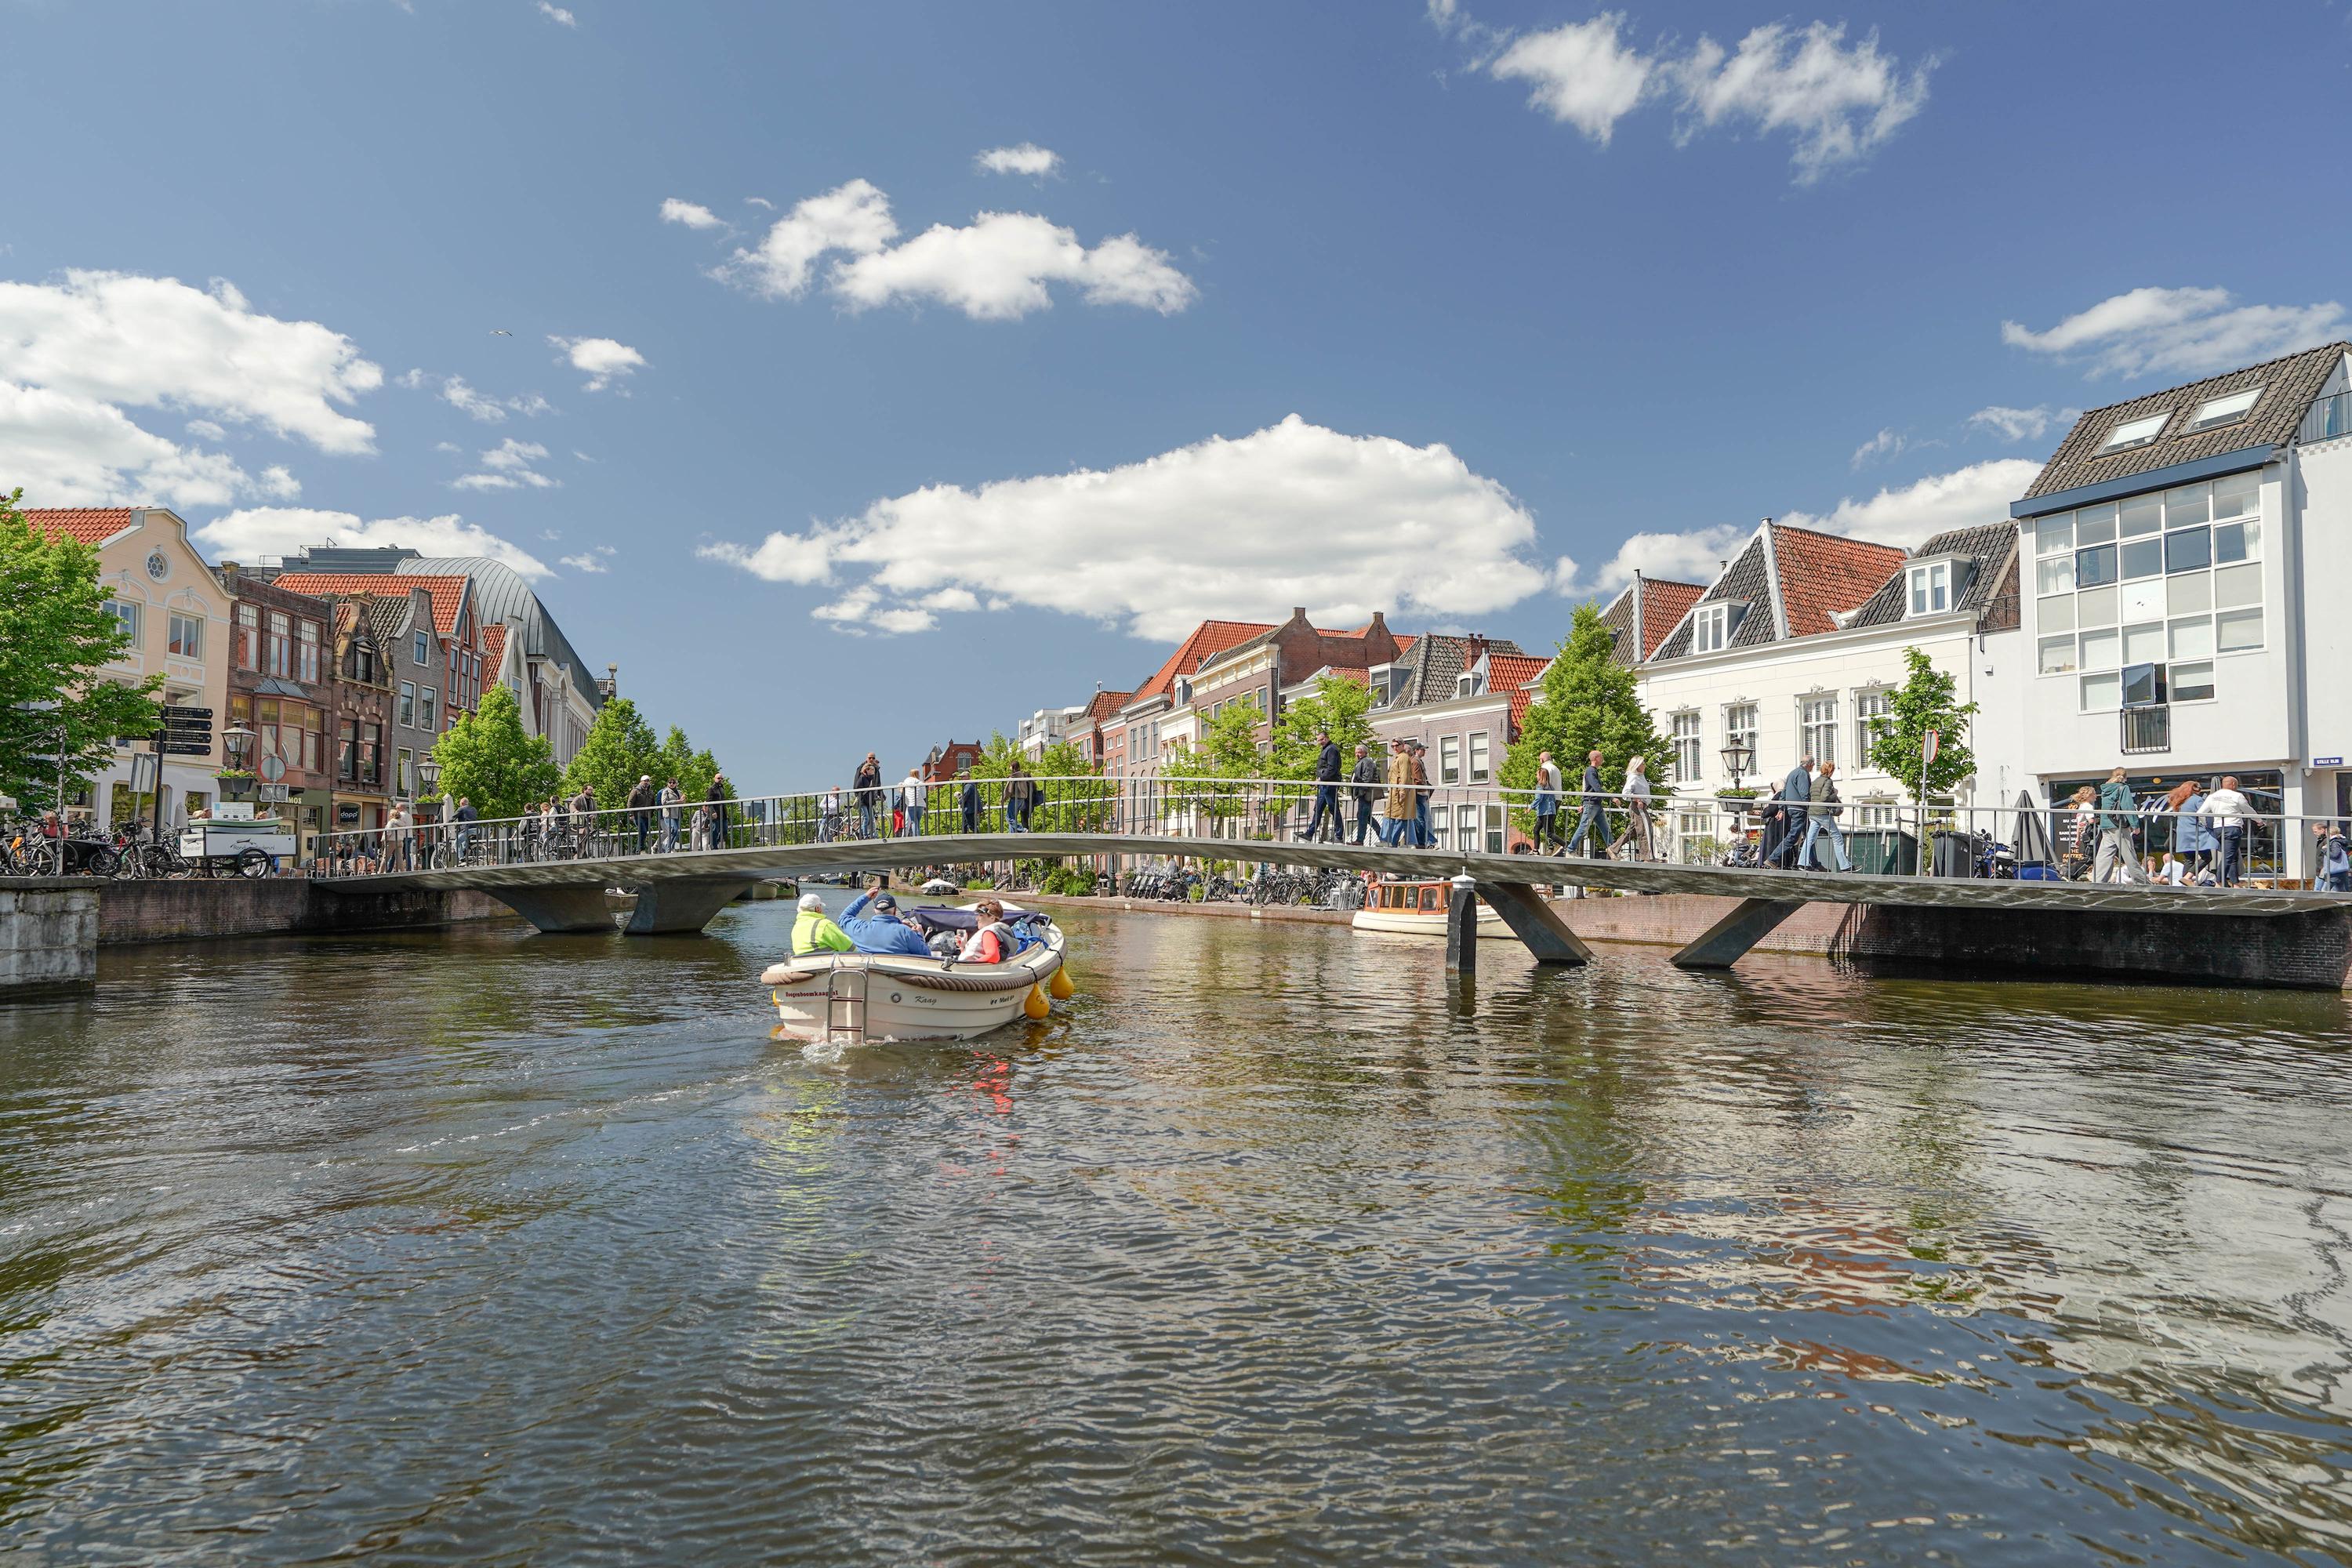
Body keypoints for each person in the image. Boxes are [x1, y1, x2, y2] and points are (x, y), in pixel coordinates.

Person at [839, 877, 935, 956]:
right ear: (895, 911)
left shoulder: (860, 928)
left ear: (875, 911)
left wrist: (865, 897)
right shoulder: (905, 932)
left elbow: (844, 917)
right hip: (897, 973)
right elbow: (926, 955)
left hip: (867, 972)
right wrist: (919, 934)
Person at [2093, 766, 2150, 884]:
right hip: (2118, 825)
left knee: (2105, 854)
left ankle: (2098, 881)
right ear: (2125, 777)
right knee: (2129, 853)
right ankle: (2141, 881)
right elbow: (2127, 806)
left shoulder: (2106, 788)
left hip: (2106, 824)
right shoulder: (2123, 788)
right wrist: (2135, 825)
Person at [2198, 775, 2254, 887]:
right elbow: (2248, 810)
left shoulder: (2212, 796)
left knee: (2232, 856)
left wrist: (2207, 825)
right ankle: (2219, 881)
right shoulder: (2237, 796)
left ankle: (2235, 883)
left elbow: (2200, 813)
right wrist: (2260, 821)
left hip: (2218, 829)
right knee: (2229, 856)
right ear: (2233, 784)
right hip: (2232, 827)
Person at [1799, 759, 1851, 872]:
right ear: (1831, 771)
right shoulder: (1828, 781)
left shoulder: (1815, 781)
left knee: (1810, 839)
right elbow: (1824, 798)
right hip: (1822, 813)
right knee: (1837, 838)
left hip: (1813, 813)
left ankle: (1802, 863)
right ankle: (1845, 866)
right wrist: (1835, 794)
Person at [1565, 749, 1612, 859]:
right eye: (1601, 757)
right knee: (1583, 828)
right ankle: (1570, 850)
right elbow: (1597, 788)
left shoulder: (1592, 771)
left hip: (1596, 805)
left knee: (1606, 830)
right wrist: (1612, 798)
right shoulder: (1591, 771)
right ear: (1596, 758)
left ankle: (1613, 850)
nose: (1603, 759)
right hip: (1591, 804)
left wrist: (1583, 802)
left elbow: (1586, 788)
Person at [1769, 756, 1815, 869]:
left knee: (1810, 836)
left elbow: (1784, 793)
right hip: (1800, 809)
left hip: (1792, 808)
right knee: (1793, 836)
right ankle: (1772, 859)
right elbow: (1804, 793)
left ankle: (1814, 863)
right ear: (1809, 764)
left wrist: (1781, 809)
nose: (1813, 767)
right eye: (1813, 764)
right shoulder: (1803, 774)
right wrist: (1809, 806)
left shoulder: (1792, 773)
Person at [1608, 756, 1654, 862]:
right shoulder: (1633, 777)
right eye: (1643, 764)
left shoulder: (1641, 776)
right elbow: (1626, 793)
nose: (1645, 766)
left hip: (1642, 806)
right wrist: (1638, 799)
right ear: (1637, 765)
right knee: (1644, 830)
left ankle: (1613, 849)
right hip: (1638, 806)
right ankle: (1646, 857)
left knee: (1633, 830)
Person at [1301, 728, 1344, 842]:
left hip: (1329, 784)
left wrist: (1321, 777)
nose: (1320, 742)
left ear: (1327, 738)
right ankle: (1310, 834)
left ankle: (1339, 835)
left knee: (1333, 808)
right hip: (1324, 784)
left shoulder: (1331, 749)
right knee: (1318, 808)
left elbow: (1332, 768)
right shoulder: (1327, 749)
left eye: (1322, 739)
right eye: (1319, 740)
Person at [790, 891, 854, 956]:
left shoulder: (796, 927)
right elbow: (850, 948)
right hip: (826, 962)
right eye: (820, 906)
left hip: (801, 961)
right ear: (817, 908)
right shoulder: (824, 925)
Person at [957, 898, 1016, 964]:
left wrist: (970, 965)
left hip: (969, 969)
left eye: (981, 915)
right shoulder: (993, 932)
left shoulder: (988, 933)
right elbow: (972, 957)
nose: (977, 919)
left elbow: (993, 956)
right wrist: (963, 947)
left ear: (992, 918)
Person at [1381, 740, 1417, 845]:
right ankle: (1410, 842)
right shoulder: (1399, 757)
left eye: (1397, 745)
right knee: (1405, 816)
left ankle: (1385, 840)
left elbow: (1404, 775)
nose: (1395, 748)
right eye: (1392, 746)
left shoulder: (1403, 758)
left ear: (1402, 745)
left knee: (1390, 814)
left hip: (1398, 792)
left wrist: (1402, 791)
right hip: (1396, 791)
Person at [1348, 742, 1382, 845]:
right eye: (1356, 753)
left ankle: (1360, 840)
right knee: (1365, 816)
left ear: (1365, 753)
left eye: (1360, 752)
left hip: (1366, 793)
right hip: (1364, 792)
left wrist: (1361, 791)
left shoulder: (1367, 762)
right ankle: (1382, 836)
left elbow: (1367, 778)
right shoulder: (1363, 762)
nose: (1357, 754)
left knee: (1363, 815)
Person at [1531, 750, 1563, 854]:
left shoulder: (1545, 769)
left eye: (1539, 760)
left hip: (1548, 802)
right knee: (1541, 827)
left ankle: (1554, 846)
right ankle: (1539, 849)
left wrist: (1531, 806)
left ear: (1542, 760)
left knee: (1548, 828)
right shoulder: (1556, 768)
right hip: (1557, 798)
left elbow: (1543, 787)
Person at [2315, 821, 2352, 893]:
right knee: (2342, 891)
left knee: (2324, 892)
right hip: (2342, 871)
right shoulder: (2340, 841)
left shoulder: (2334, 843)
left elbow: (2335, 855)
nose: (2326, 835)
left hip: (2334, 872)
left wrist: (2325, 850)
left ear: (2330, 834)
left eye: (2326, 833)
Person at [853, 752, 883, 839]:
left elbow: (878, 783)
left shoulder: (875, 769)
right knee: (867, 817)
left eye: (873, 758)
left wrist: (881, 794)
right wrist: (858, 795)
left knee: (871, 817)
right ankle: (865, 834)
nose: (871, 759)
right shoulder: (862, 768)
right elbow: (856, 783)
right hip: (863, 797)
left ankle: (871, 834)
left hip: (870, 797)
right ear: (867, 758)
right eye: (870, 758)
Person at [627, 775, 656, 854]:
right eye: (645, 781)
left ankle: (637, 850)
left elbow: (653, 804)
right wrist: (631, 814)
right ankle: (640, 849)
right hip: (637, 815)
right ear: (641, 782)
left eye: (648, 781)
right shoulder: (635, 791)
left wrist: (652, 813)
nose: (646, 783)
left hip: (647, 816)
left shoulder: (651, 792)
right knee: (643, 831)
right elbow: (630, 803)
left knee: (644, 832)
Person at [1005, 760, 1036, 833]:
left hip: (1015, 799)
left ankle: (1023, 830)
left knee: (1009, 818)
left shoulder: (1013, 777)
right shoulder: (1022, 775)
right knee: (1013, 818)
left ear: (1013, 767)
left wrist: (1003, 799)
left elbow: (1008, 790)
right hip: (1023, 799)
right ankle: (1012, 835)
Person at [706, 771, 731, 850]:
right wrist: (713, 812)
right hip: (715, 813)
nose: (720, 780)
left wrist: (726, 813)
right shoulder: (711, 789)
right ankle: (714, 847)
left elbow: (723, 802)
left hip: (723, 813)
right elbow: (709, 801)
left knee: (725, 830)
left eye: (721, 778)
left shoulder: (722, 788)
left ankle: (715, 842)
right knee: (715, 830)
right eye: (718, 778)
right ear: (714, 779)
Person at [658, 778, 684, 852]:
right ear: (667, 783)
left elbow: (681, 802)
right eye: (670, 782)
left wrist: (683, 801)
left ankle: (670, 848)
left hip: (677, 814)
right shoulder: (665, 791)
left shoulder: (679, 792)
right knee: (673, 830)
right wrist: (677, 801)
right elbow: (664, 802)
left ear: (676, 784)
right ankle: (668, 849)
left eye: (673, 783)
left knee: (676, 832)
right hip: (668, 814)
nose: (672, 784)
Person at [900, 768, 927, 837]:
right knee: (917, 822)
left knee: (914, 822)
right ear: (918, 774)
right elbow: (924, 795)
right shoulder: (921, 783)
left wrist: (902, 807)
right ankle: (917, 836)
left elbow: (903, 794)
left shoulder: (906, 782)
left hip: (911, 804)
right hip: (920, 805)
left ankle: (916, 837)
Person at [452, 795, 478, 861]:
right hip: (476, 829)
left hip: (467, 829)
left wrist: (445, 824)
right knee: (464, 841)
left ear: (462, 803)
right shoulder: (474, 809)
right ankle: (465, 855)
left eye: (460, 804)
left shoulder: (461, 809)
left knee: (456, 843)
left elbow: (453, 818)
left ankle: (461, 858)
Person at [960, 771, 982, 836]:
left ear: (967, 777)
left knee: (971, 824)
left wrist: (960, 802)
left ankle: (977, 837)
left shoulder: (968, 785)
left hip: (969, 808)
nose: (961, 778)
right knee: (965, 824)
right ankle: (964, 836)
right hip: (971, 808)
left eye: (963, 777)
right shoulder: (972, 785)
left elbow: (965, 795)